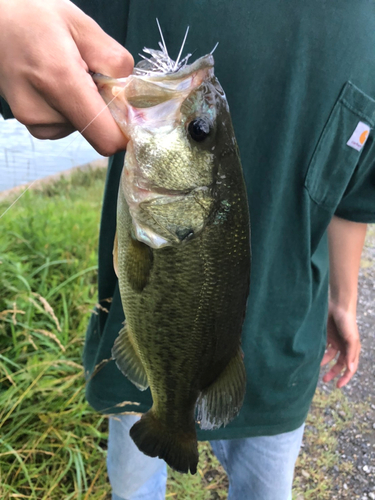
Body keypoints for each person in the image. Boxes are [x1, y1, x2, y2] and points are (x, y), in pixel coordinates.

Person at [1, 1, 374, 499]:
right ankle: (168, 415)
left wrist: (343, 301)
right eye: (200, 132)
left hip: (285, 355)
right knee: (133, 487)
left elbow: (353, 195)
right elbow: (33, 51)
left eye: (198, 131)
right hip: (148, 352)